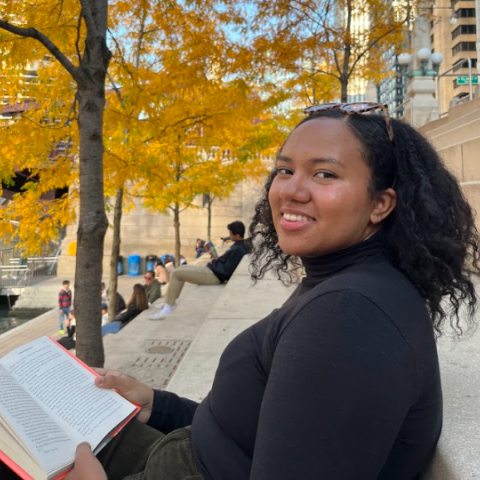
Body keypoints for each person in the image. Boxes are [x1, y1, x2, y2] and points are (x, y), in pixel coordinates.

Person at [3, 106, 478, 480]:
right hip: (178, 451)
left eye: (325, 174)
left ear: (380, 204)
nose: (291, 190)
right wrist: (157, 404)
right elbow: (259, 432)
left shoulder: (349, 319)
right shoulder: (347, 285)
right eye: (285, 170)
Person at [150, 221, 249, 320]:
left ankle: (167, 309)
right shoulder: (238, 246)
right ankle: (170, 301)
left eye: (231, 234)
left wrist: (214, 261)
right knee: (180, 268)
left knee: (176, 273)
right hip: (212, 270)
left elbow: (226, 271)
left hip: (213, 275)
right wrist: (214, 258)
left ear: (237, 236)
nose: (229, 236)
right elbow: (225, 263)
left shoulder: (238, 250)